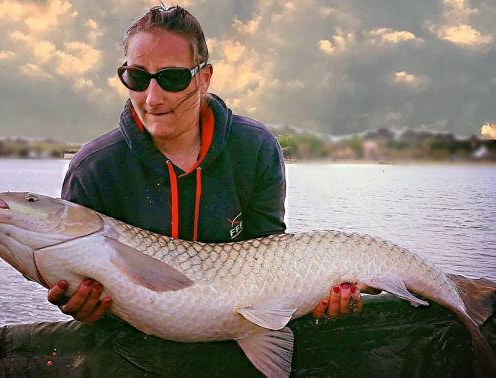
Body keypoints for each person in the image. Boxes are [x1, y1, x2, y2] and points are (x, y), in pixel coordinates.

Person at [47, 5, 363, 325]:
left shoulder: (255, 148)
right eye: (137, 77)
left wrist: (313, 295)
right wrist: (78, 302)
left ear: (204, 78)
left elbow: (269, 259)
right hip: (131, 337)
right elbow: (79, 279)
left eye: (172, 78)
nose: (152, 98)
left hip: (238, 322)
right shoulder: (93, 168)